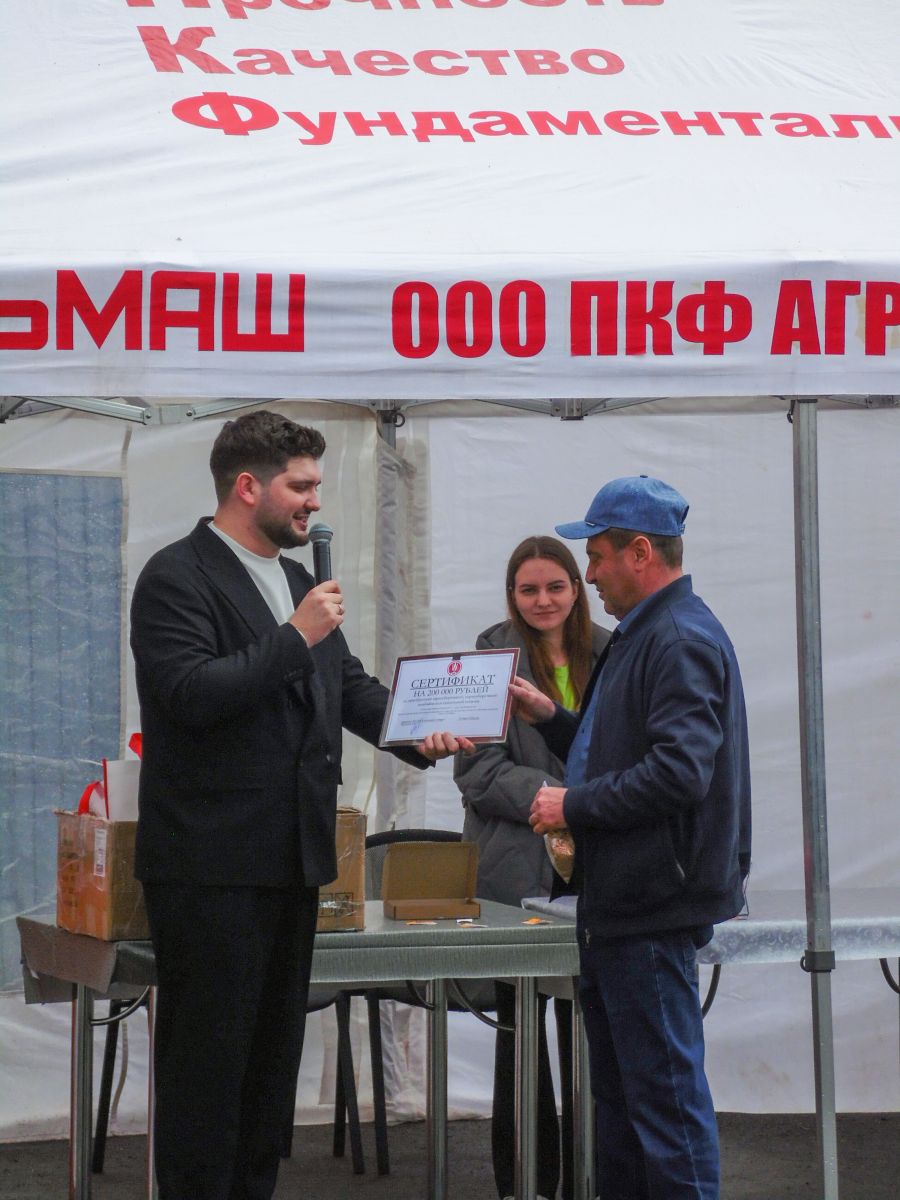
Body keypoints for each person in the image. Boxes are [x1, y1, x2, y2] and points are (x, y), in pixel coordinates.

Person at [130, 410, 472, 1200]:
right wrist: (295, 635)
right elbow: (189, 695)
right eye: (302, 486)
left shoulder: (293, 583)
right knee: (208, 1072)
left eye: (316, 485)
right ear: (248, 487)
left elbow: (346, 688)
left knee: (266, 1074)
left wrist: (424, 731)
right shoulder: (176, 576)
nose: (316, 502)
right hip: (211, 869)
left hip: (291, 861)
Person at [516, 476, 751, 1200]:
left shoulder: (675, 639)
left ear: (641, 552)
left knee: (664, 1110)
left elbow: (678, 773)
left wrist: (573, 804)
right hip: (624, 905)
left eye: (597, 555)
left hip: (651, 906)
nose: (588, 574)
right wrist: (553, 719)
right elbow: (622, 750)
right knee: (623, 1112)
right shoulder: (650, 634)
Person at [454, 535, 610, 1200]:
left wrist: (581, 802)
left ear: (577, 589)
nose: (543, 600)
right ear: (511, 596)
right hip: (513, 871)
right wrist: (556, 799)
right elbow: (476, 772)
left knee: (588, 1035)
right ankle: (523, 1184)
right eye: (528, 589)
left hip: (596, 869)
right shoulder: (489, 659)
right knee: (518, 1038)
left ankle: (588, 1180)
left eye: (555, 587)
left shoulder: (616, 653)